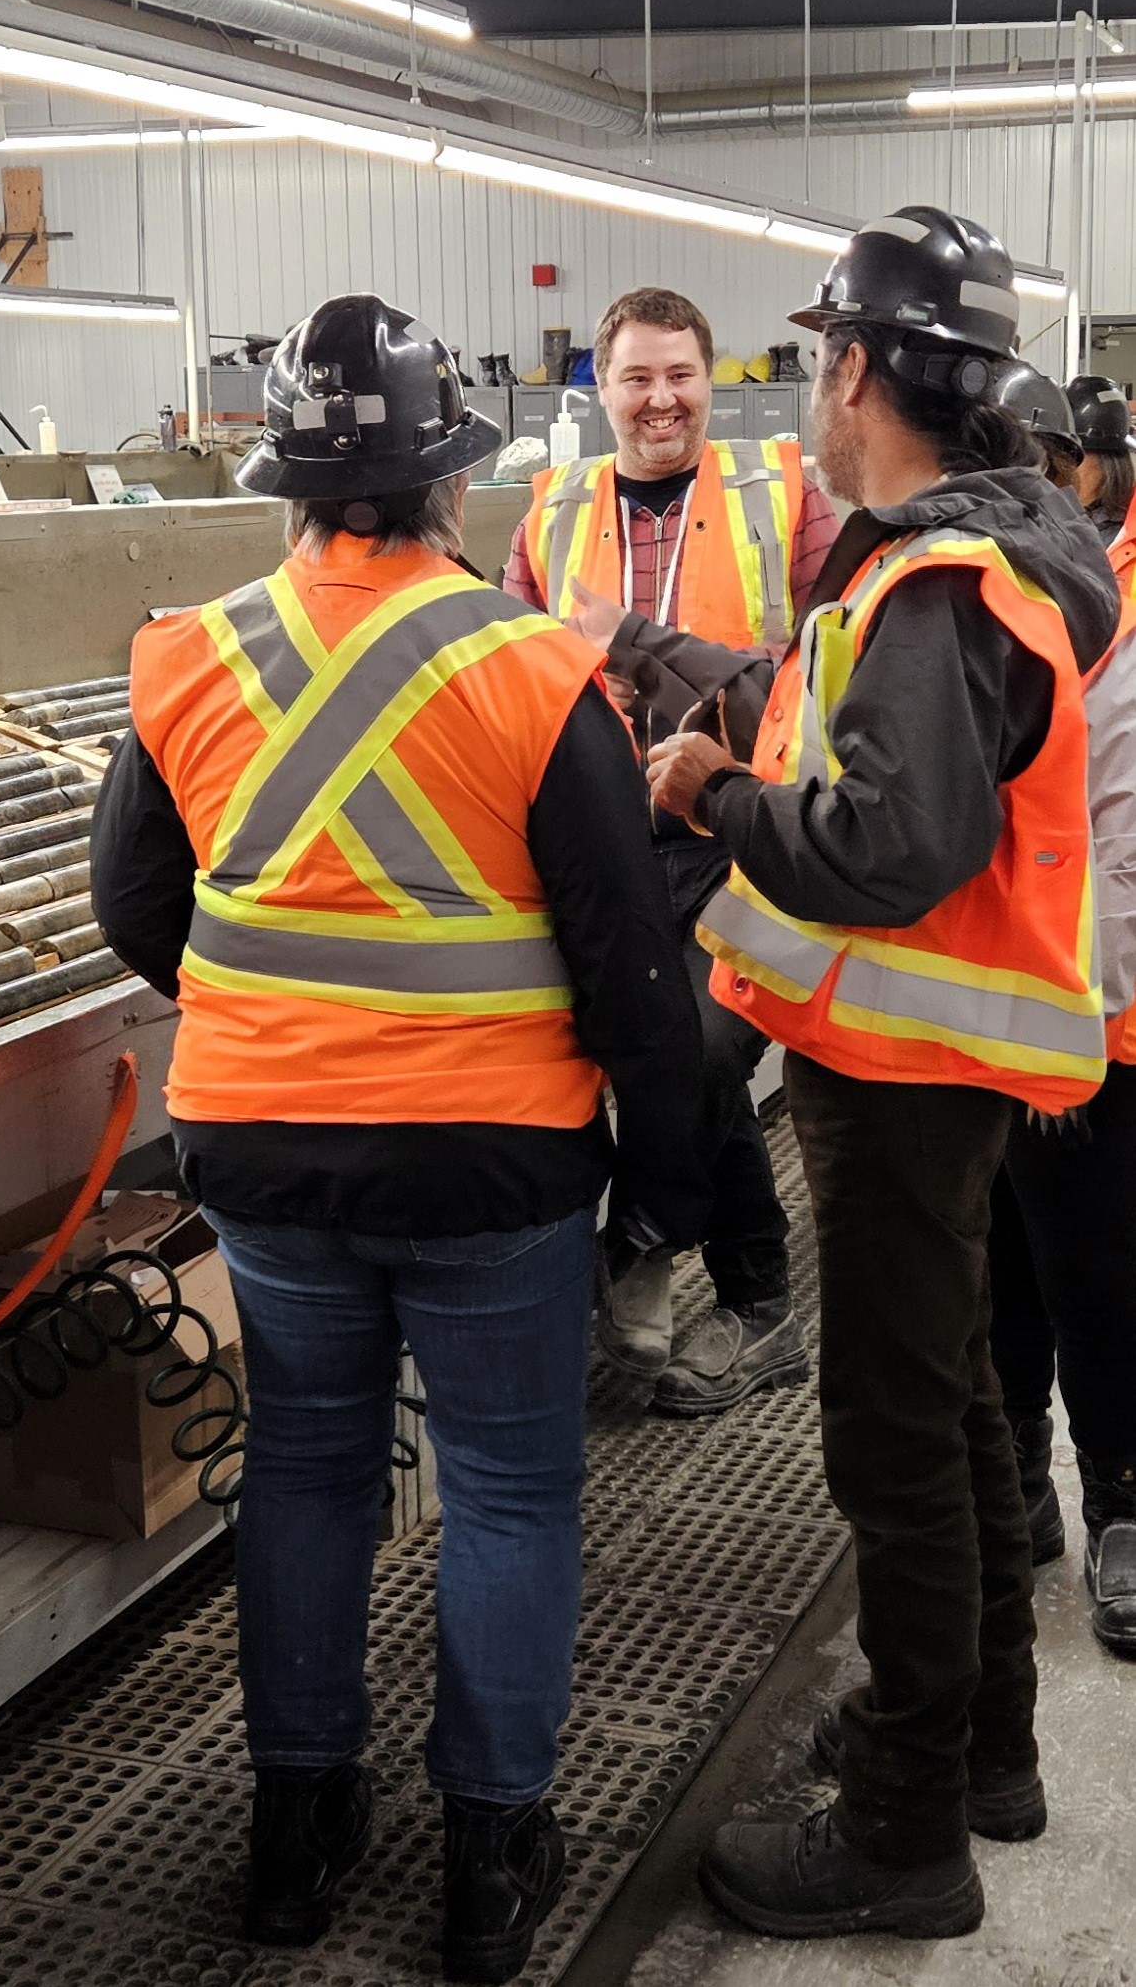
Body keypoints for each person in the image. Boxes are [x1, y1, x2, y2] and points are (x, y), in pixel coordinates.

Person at [90, 296, 706, 1984]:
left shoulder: (184, 652)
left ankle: (296, 1832)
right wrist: (679, 1180)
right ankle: (484, 1861)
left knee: (301, 1470)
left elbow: (137, 907)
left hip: (264, 1152)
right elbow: (623, 958)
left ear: (283, 491)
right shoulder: (529, 663)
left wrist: (287, 1018)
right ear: (451, 488)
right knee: (505, 1485)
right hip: (491, 1166)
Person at [646, 207, 1119, 1939]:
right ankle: (979, 1741)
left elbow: (882, 843)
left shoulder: (933, 581)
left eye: (808, 360)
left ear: (855, 367)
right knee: (962, 1410)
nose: (802, 392)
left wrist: (705, 797)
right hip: (942, 1065)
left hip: (906, 1073)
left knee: (893, 1443)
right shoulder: (976, 551)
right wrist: (712, 691)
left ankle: (904, 1827)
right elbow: (848, 729)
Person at [505, 286, 839, 1416]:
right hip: (599, 833)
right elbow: (503, 663)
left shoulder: (781, 496)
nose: (661, 400)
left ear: (712, 379)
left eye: (680, 375)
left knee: (698, 1047)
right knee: (658, 1057)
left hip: (735, 828)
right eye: (637, 378)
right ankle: (755, 1296)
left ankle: (644, 1233)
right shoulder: (549, 508)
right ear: (599, 389)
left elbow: (829, 672)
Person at [984, 359, 1136, 1658]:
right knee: (995, 1281)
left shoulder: (1112, 622)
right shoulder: (964, 611)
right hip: (969, 1020)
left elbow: (1117, 860)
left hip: (1092, 1029)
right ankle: (1021, 1479)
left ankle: (1119, 1510)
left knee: (1095, 1278)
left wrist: (1070, 1026)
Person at [1064, 374, 1136, 547]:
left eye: (1072, 456)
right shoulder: (1044, 520)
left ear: (1109, 463)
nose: (1060, 470)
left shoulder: (1123, 534)